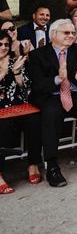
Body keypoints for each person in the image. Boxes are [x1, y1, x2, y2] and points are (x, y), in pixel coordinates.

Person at [27, 19, 77, 187]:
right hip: (51, 96)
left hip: (76, 94)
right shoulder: (38, 55)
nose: (71, 36)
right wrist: (59, 78)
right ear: (53, 35)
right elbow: (37, 84)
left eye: (73, 33)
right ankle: (52, 166)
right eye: (66, 33)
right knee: (51, 113)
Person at [0, 29, 42, 194]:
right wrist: (5, 72)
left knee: (35, 119)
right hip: (1, 110)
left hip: (17, 106)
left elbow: (24, 88)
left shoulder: (14, 62)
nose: (3, 47)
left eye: (6, 44)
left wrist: (16, 72)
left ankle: (33, 164)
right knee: (3, 126)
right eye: (0, 44)